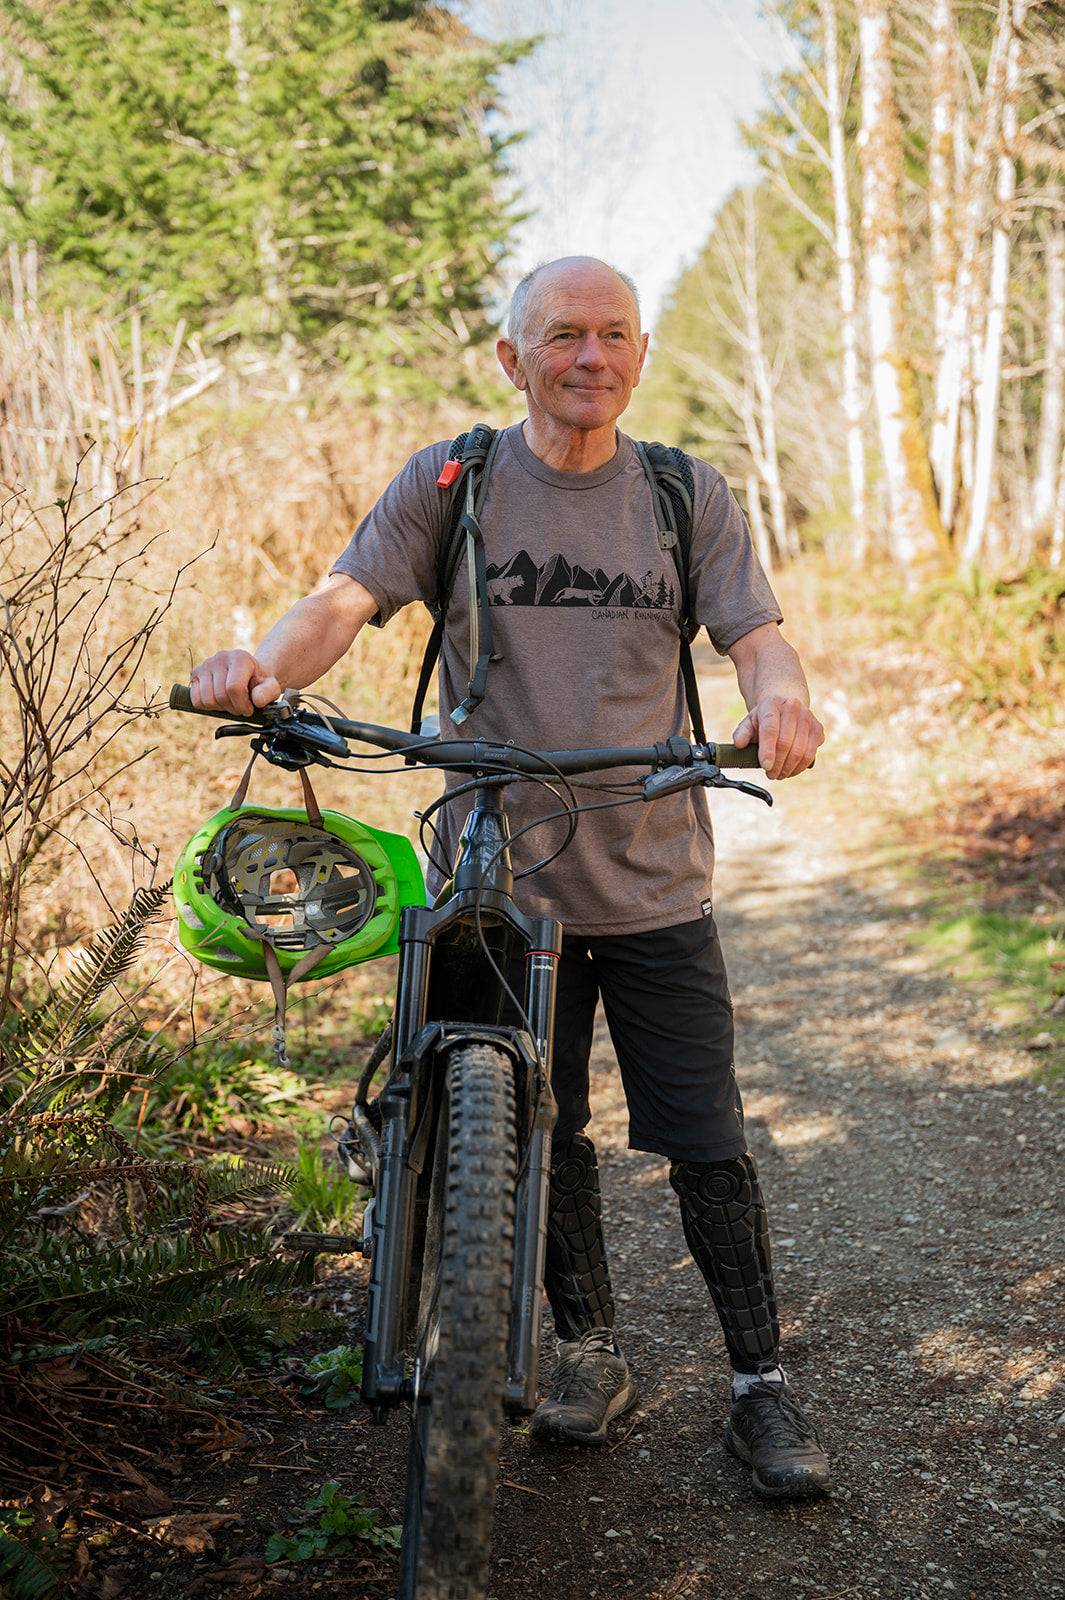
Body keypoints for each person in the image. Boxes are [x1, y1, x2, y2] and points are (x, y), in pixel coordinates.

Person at [190, 256, 830, 1501]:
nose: (591, 356)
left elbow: (756, 634)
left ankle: (760, 1381)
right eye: (564, 335)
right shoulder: (456, 482)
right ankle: (590, 1350)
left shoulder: (681, 491)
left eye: (614, 335)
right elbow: (343, 599)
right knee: (544, 1127)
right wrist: (262, 669)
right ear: (512, 358)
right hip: (491, 880)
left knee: (707, 1142)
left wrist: (783, 697)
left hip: (653, 876)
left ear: (639, 355)